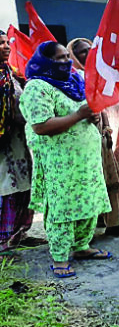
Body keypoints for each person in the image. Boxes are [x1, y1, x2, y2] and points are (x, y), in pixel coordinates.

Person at [20, 41, 112, 278]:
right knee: (63, 208)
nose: (66, 62)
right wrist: (79, 115)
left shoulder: (74, 81)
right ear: (45, 61)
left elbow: (87, 108)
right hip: (60, 163)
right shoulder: (37, 87)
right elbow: (41, 126)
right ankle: (60, 257)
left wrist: (92, 117)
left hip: (86, 160)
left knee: (89, 202)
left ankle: (82, 247)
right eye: (59, 59)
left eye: (66, 57)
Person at [67, 38, 119, 236]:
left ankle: (117, 213)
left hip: (112, 129)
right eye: (81, 52)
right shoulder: (76, 78)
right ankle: (102, 217)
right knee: (102, 176)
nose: (87, 54)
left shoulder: (102, 74)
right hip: (93, 134)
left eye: (90, 50)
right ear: (72, 56)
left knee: (117, 172)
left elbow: (117, 97)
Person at [0, 30, 36, 251]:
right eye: (0, 43)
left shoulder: (12, 74)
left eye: (6, 42)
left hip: (19, 140)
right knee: (6, 187)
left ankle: (20, 234)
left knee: (24, 186)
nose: (6, 46)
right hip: (2, 144)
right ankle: (3, 238)